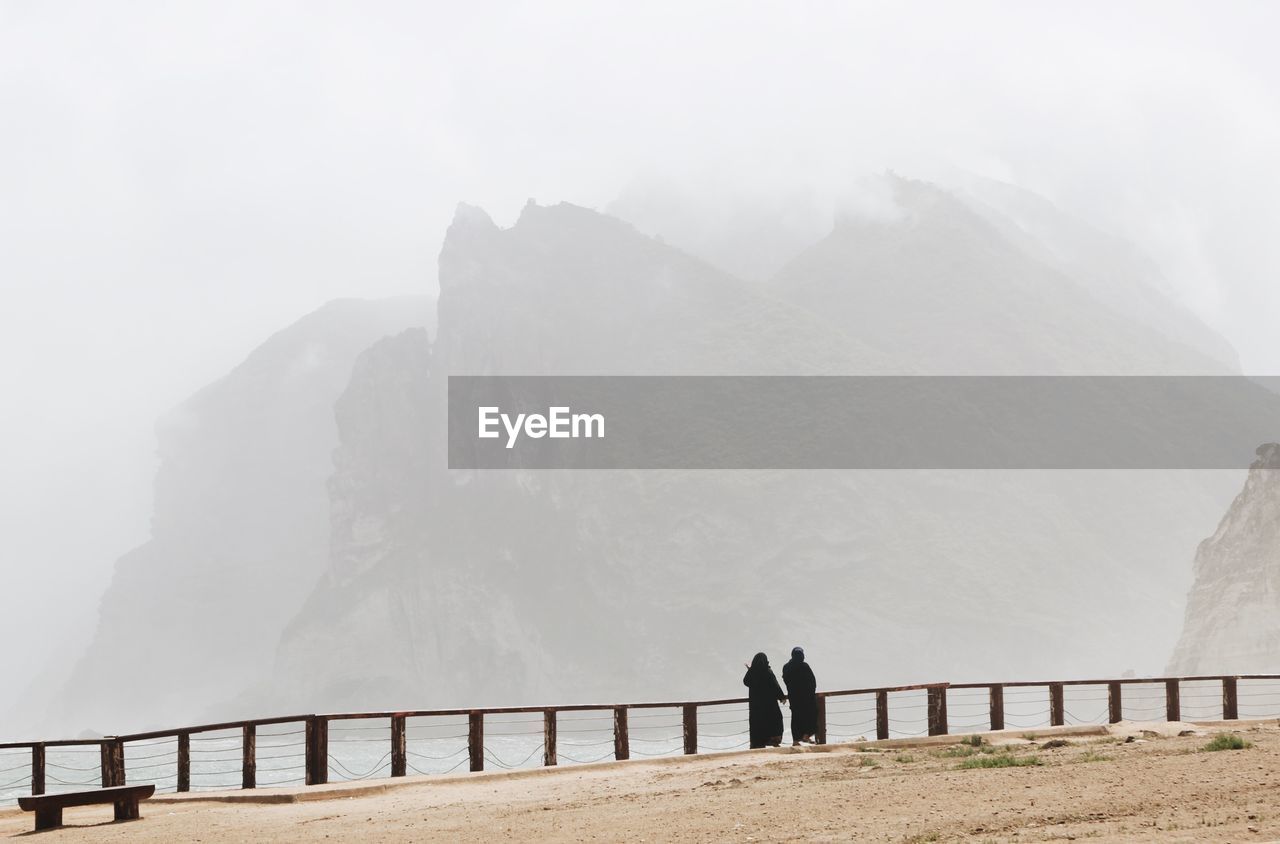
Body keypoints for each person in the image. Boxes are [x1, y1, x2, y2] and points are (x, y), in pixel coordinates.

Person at [742, 652, 786, 748]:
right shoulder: (767, 671)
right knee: (775, 721)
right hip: (769, 705)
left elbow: (746, 681)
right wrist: (782, 697)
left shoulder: (752, 673)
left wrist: (750, 670)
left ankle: (757, 743)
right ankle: (773, 740)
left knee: (757, 724)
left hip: (756, 707)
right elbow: (775, 685)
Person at [782, 646, 818, 745]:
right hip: (807, 698)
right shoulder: (805, 666)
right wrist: (810, 692)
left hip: (794, 697)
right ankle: (806, 735)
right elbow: (812, 682)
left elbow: (786, 680)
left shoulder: (786, 667)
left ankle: (796, 740)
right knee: (811, 715)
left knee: (796, 718)